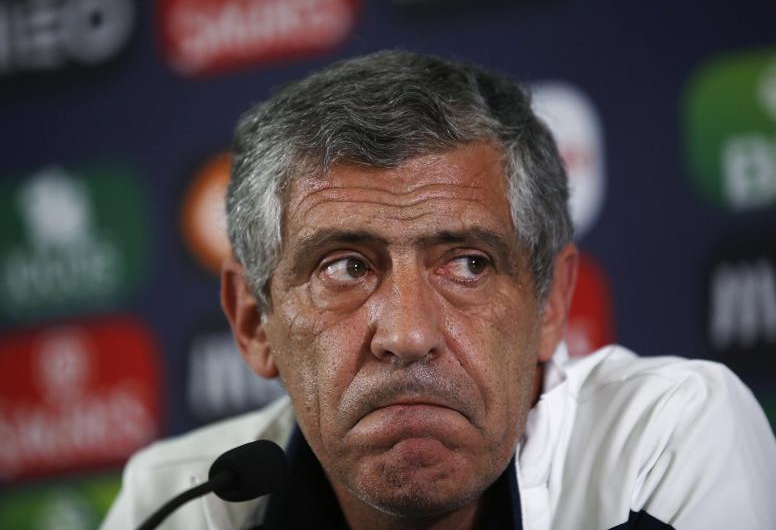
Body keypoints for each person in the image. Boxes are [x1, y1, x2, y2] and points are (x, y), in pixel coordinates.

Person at [101, 51, 776, 530]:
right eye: (344, 267)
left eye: (469, 264)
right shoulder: (182, 505)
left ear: (549, 303)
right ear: (254, 321)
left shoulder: (662, 445)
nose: (407, 333)